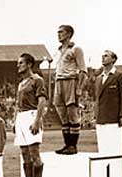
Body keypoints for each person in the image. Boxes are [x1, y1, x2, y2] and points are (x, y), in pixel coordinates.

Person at [13, 53, 47, 177]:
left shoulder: (37, 80)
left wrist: (37, 120)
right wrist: (15, 121)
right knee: (24, 153)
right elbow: (17, 104)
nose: (18, 65)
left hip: (31, 115)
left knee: (34, 152)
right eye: (18, 63)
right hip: (21, 117)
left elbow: (42, 101)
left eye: (21, 63)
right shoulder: (21, 83)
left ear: (29, 64)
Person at [53, 25, 87, 155]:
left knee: (72, 113)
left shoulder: (76, 49)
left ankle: (73, 145)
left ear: (69, 34)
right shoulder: (59, 50)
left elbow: (83, 71)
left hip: (70, 80)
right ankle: (67, 145)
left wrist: (79, 88)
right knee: (62, 114)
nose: (58, 34)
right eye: (58, 32)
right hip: (58, 82)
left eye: (61, 32)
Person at [94, 50, 122, 155]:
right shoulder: (98, 79)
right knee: (102, 150)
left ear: (113, 59)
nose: (103, 57)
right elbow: (97, 99)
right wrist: (95, 116)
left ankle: (115, 171)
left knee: (114, 150)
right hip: (100, 119)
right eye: (102, 56)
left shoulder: (120, 76)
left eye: (106, 56)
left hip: (113, 119)